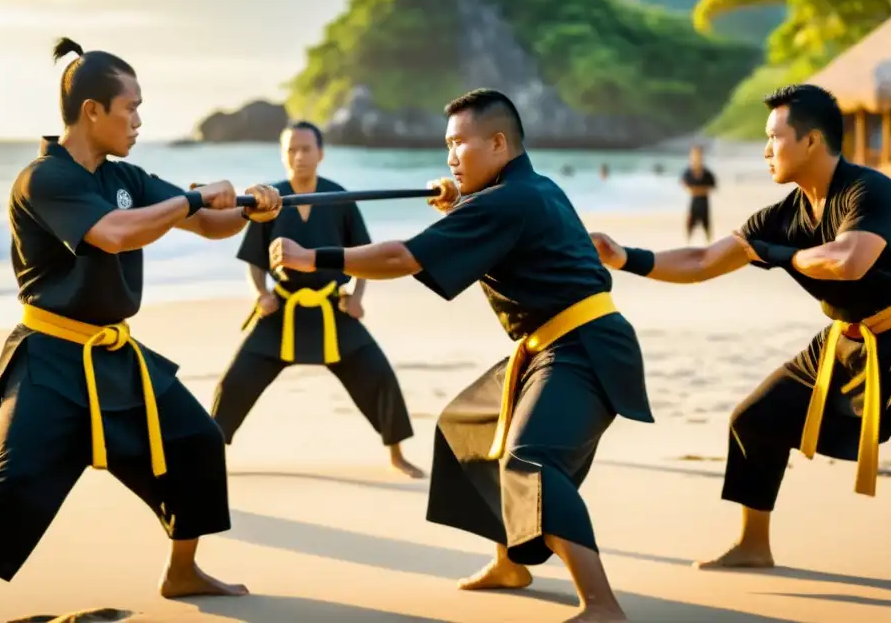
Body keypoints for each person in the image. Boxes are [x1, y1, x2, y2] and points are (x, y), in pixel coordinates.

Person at [269, 89, 652, 622]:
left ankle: (602, 605)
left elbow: (403, 255)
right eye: (445, 145)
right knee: (465, 427)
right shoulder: (528, 189)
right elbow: (492, 236)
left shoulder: (504, 201)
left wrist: (314, 257)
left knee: (531, 461)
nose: (449, 157)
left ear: (498, 143)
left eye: (458, 144)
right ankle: (509, 562)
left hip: (584, 348)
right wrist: (460, 205)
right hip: (550, 346)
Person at [0, 38, 284, 597]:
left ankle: (182, 572)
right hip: (50, 358)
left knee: (197, 441)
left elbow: (207, 225)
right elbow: (115, 234)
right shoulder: (43, 179)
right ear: (92, 111)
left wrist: (252, 208)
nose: (140, 121)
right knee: (12, 482)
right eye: (131, 107)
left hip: (115, 355)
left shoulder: (128, 179)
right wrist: (196, 200)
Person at [590, 84, 891, 572]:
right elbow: (703, 259)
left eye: (774, 138)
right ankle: (753, 546)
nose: (766, 150)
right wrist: (626, 258)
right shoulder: (783, 214)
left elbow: (849, 261)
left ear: (810, 141)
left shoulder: (870, 191)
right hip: (843, 343)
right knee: (754, 419)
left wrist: (775, 254)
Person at [210, 120, 423, 478]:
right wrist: (261, 295)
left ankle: (397, 455)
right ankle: (209, 455)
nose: (299, 156)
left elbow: (365, 255)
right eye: (291, 149)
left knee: (380, 375)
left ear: (320, 154)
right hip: (283, 309)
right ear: (282, 155)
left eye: (306, 149)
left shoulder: (338, 198)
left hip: (331, 309)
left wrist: (357, 296)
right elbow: (254, 261)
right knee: (233, 383)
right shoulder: (268, 202)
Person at [680, 144, 716, 242]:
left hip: (704, 202)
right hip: (694, 202)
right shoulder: (688, 173)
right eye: (694, 155)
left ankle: (708, 244)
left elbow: (711, 187)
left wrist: (696, 190)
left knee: (706, 224)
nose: (697, 158)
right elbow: (686, 186)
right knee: (690, 224)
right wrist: (698, 190)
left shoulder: (707, 173)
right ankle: (688, 243)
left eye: (699, 155)